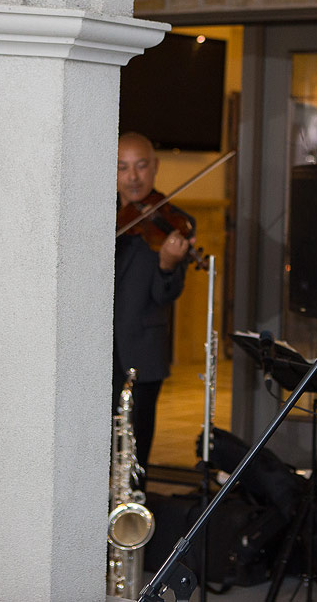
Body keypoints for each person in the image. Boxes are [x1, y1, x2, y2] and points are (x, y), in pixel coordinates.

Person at [113, 131, 195, 470]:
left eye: (141, 166)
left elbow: (166, 294)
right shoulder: (97, 216)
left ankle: (131, 521)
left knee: (135, 451)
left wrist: (168, 264)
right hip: (95, 351)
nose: (132, 177)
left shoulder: (173, 223)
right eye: (122, 168)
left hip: (142, 349)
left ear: (155, 167)